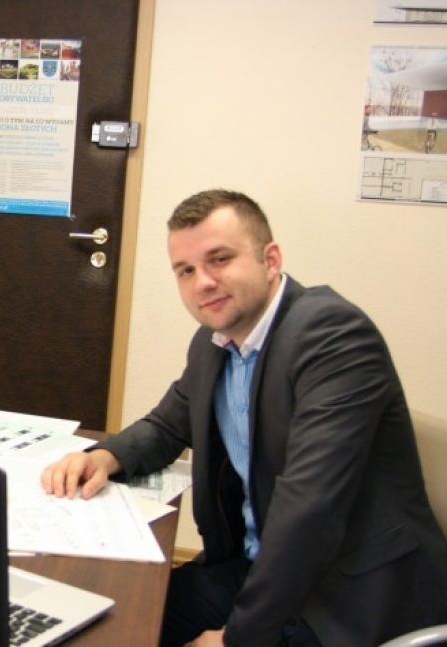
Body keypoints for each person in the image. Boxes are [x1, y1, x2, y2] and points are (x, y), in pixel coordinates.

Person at [41, 190, 447, 646]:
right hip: (261, 570)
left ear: (270, 260)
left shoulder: (333, 336)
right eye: (186, 270)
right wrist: (104, 457)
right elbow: (168, 424)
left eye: (220, 259)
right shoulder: (214, 342)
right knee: (115, 619)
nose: (203, 282)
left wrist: (236, 639)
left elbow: (309, 509)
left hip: (349, 598)